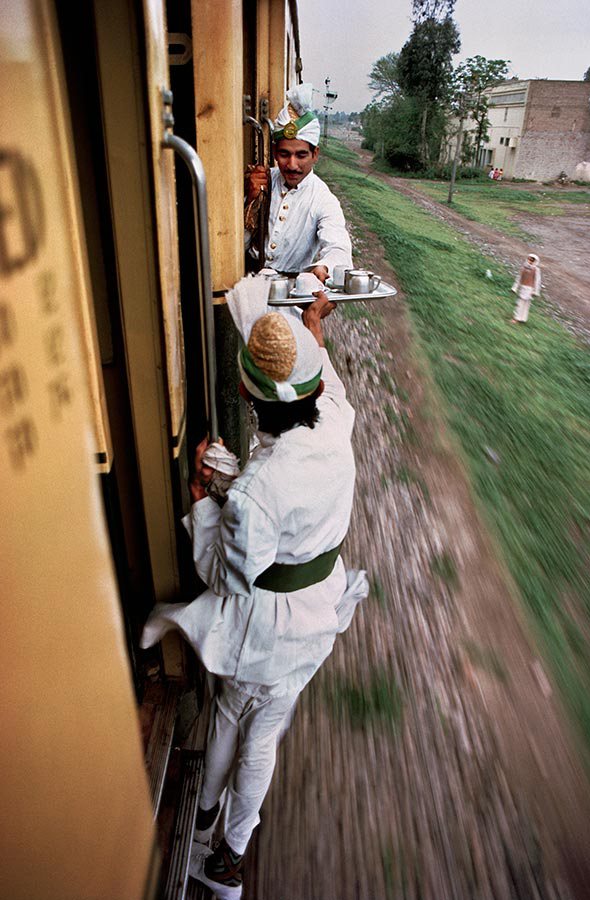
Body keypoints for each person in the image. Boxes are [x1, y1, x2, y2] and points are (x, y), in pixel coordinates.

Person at [141, 276, 367, 899]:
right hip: (318, 612)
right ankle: (229, 860)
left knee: (228, 716)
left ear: (244, 392)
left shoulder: (254, 492)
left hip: (266, 630)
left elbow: (225, 573)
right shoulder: (338, 419)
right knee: (265, 734)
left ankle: (205, 827)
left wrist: (202, 504)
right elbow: (322, 378)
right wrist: (314, 326)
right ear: (316, 383)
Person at [245, 83, 353, 283]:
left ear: (315, 154)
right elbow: (234, 244)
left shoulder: (322, 198)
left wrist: (325, 265)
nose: (292, 165)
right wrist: (250, 200)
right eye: (284, 154)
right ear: (275, 152)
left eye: (301, 155)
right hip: (248, 286)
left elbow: (339, 248)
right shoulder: (260, 181)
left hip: (292, 296)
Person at [511, 253, 541, 323]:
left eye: (532, 260)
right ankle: (516, 318)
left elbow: (537, 281)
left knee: (526, 304)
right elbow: (519, 278)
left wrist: (535, 291)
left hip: (529, 289)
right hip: (522, 288)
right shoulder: (523, 268)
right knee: (520, 303)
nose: (530, 261)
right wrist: (514, 288)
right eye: (529, 259)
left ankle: (523, 318)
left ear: (535, 261)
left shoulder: (536, 270)